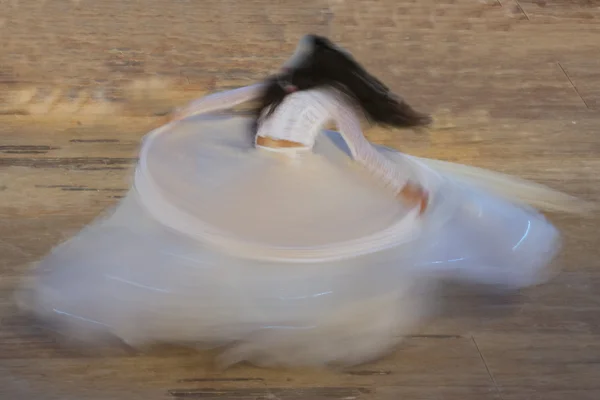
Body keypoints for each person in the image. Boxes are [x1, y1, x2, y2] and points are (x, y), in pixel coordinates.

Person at [18, 35, 592, 368]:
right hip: (269, 169)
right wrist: (184, 115)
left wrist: (401, 189)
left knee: (272, 240)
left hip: (286, 172)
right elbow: (232, 97)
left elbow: (362, 154)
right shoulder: (298, 90)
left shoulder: (320, 98)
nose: (289, 73)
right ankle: (238, 301)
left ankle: (252, 303)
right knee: (249, 237)